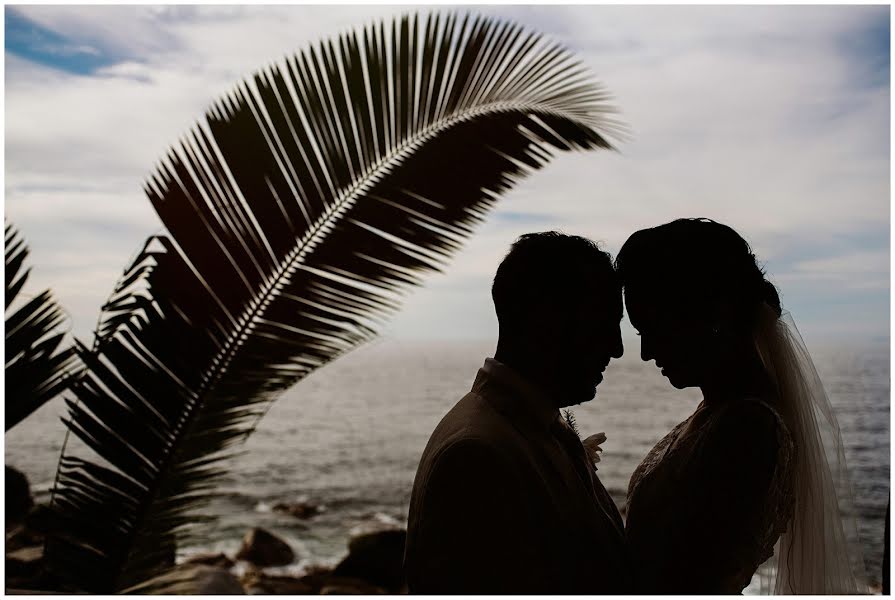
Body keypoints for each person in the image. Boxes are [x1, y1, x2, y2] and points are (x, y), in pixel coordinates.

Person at [616, 217, 867, 594]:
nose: (646, 352)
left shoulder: (747, 429)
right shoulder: (719, 412)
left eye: (653, 329)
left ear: (710, 315)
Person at [403, 231, 630, 593]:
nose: (617, 349)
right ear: (546, 322)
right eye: (603, 325)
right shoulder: (476, 455)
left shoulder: (524, 428)